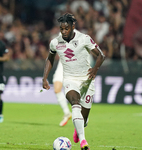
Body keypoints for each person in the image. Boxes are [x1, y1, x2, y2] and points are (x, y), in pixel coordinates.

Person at [42, 13, 105, 150]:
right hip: (70, 79)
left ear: (73, 26)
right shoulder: (55, 42)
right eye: (61, 29)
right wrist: (44, 77)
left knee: (84, 120)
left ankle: (78, 130)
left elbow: (101, 55)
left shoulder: (84, 39)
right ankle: (83, 141)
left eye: (66, 29)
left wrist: (95, 69)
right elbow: (50, 59)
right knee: (75, 103)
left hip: (87, 81)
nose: (64, 32)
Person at [53, 60, 72, 127]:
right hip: (62, 64)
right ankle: (67, 113)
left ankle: (82, 117)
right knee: (57, 90)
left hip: (74, 65)